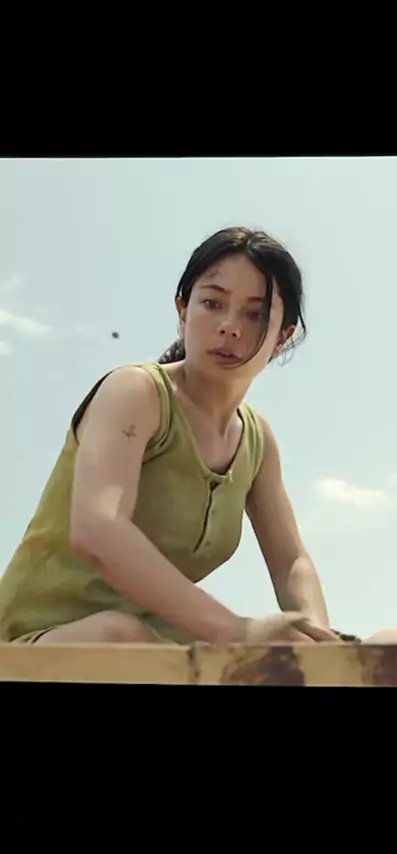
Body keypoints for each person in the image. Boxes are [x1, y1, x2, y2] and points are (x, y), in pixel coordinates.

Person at [0, 226, 340, 646]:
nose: (229, 327)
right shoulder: (136, 392)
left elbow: (291, 561)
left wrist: (319, 643)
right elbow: (97, 529)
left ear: (282, 337)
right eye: (212, 303)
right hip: (32, 648)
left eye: (254, 314)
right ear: (183, 311)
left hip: (156, 647)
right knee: (119, 635)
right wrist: (236, 630)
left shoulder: (257, 440)